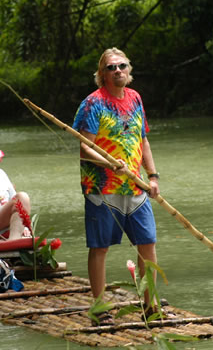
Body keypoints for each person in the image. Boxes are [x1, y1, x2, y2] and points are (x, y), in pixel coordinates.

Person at [72, 47, 161, 324]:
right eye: (111, 67)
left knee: (147, 244)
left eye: (122, 65)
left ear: (129, 70)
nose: (118, 70)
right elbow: (84, 149)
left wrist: (153, 176)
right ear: (102, 74)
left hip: (135, 186)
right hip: (103, 187)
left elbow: (143, 140)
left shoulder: (135, 98)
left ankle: (151, 304)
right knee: (100, 248)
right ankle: (99, 307)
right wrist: (110, 164)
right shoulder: (92, 103)